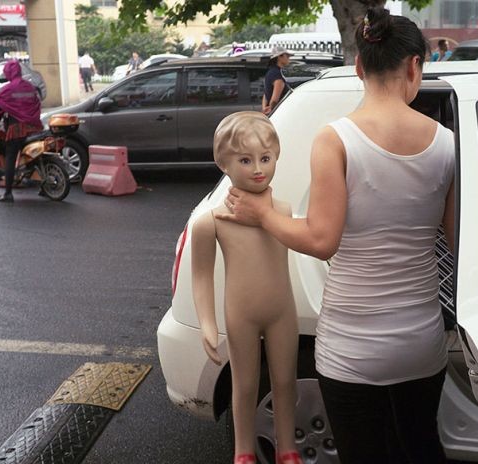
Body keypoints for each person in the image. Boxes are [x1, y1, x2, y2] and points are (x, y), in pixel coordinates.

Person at [219, 7, 456, 464]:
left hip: (352, 347)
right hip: (420, 344)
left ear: (360, 66)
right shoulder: (446, 142)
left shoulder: (335, 139)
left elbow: (321, 240)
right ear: (415, 66)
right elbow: (457, 242)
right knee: (420, 447)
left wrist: (262, 213)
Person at [192, 111, 303, 464]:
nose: (258, 169)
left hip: (282, 311)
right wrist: (207, 323)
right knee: (244, 385)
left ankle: (287, 449)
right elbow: (200, 276)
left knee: (285, 382)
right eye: (245, 160)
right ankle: (243, 452)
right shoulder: (211, 222)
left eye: (265, 158)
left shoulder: (283, 211)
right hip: (241, 314)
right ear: (223, 163)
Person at [0, 60, 43, 203]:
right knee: (34, 156)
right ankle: (40, 184)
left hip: (17, 130)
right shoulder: (30, 87)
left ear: (9, 73)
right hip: (34, 128)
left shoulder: (7, 90)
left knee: (10, 157)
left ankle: (8, 193)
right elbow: (37, 103)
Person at [262, 46, 292, 115]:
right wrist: (271, 109)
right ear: (279, 57)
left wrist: (264, 108)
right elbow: (275, 100)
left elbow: (265, 94)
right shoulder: (278, 74)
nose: (289, 58)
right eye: (287, 56)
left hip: (270, 113)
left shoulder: (270, 72)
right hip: (279, 113)